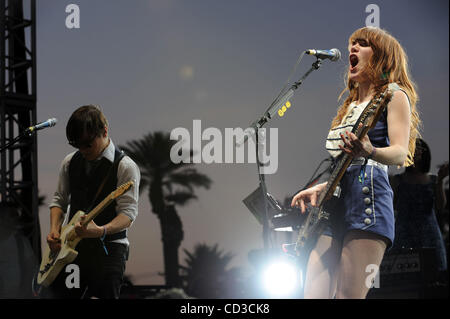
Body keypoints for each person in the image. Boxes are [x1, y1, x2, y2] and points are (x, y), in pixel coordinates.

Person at [291, 26, 420, 299]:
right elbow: (346, 166)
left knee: (349, 296)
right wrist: (322, 187)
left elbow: (399, 154)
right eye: (352, 43)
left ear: (382, 57)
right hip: (334, 204)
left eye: (363, 44)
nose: (353, 48)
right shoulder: (348, 107)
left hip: (369, 201)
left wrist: (370, 150)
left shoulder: (394, 95)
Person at [45, 105, 140, 298]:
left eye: (88, 144)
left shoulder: (125, 167)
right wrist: (54, 229)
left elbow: (128, 214)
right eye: (77, 145)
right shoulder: (70, 162)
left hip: (109, 250)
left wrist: (100, 231)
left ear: (104, 131)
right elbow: (59, 200)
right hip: (72, 249)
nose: (82, 150)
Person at [390, 138, 448, 271]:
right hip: (404, 233)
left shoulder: (433, 180)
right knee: (405, 273)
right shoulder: (397, 180)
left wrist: (440, 181)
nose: (416, 152)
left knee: (434, 273)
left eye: (419, 149)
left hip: (428, 233)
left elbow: (440, 206)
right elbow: (392, 206)